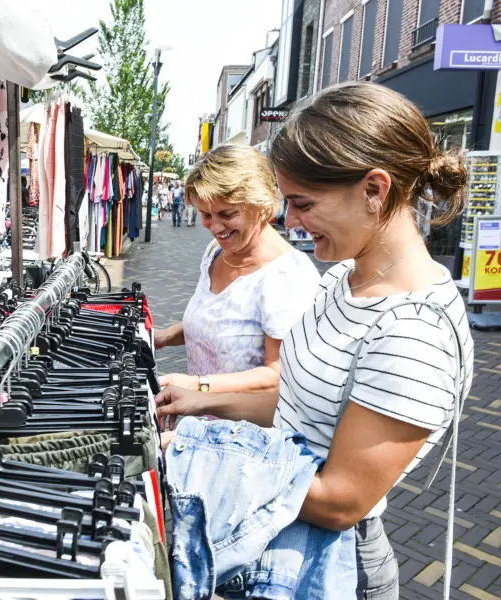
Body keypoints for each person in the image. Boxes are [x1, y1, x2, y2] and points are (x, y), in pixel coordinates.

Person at [156, 82, 474, 599]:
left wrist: (199, 454)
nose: (292, 221)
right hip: (281, 541)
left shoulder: (414, 330)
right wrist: (210, 402)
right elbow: (304, 401)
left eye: (303, 202)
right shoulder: (341, 279)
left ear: (374, 189)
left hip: (335, 564)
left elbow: (341, 499)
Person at [155, 145, 320, 438]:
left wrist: (198, 386)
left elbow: (276, 377)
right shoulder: (215, 252)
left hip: (244, 440)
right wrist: (167, 336)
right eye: (205, 214)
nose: (214, 227)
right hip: (198, 422)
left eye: (227, 214)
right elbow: (220, 319)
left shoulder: (286, 276)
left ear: (261, 204)